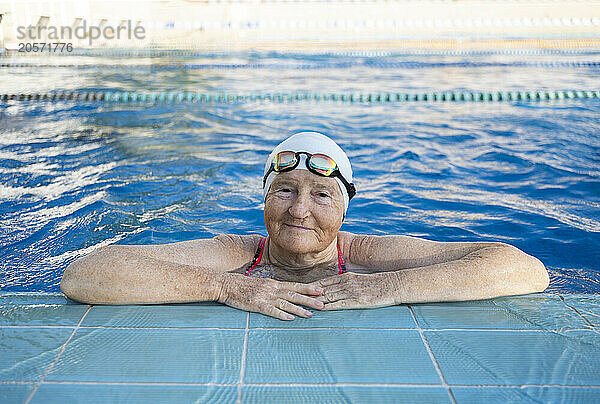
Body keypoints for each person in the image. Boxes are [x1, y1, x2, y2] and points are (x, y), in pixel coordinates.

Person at [60, 131, 550, 321]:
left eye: (321, 194)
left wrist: (386, 288)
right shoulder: (236, 255)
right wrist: (224, 289)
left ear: (345, 209)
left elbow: (523, 267)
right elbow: (85, 274)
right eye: (284, 190)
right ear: (264, 198)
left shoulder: (367, 256)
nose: (298, 211)